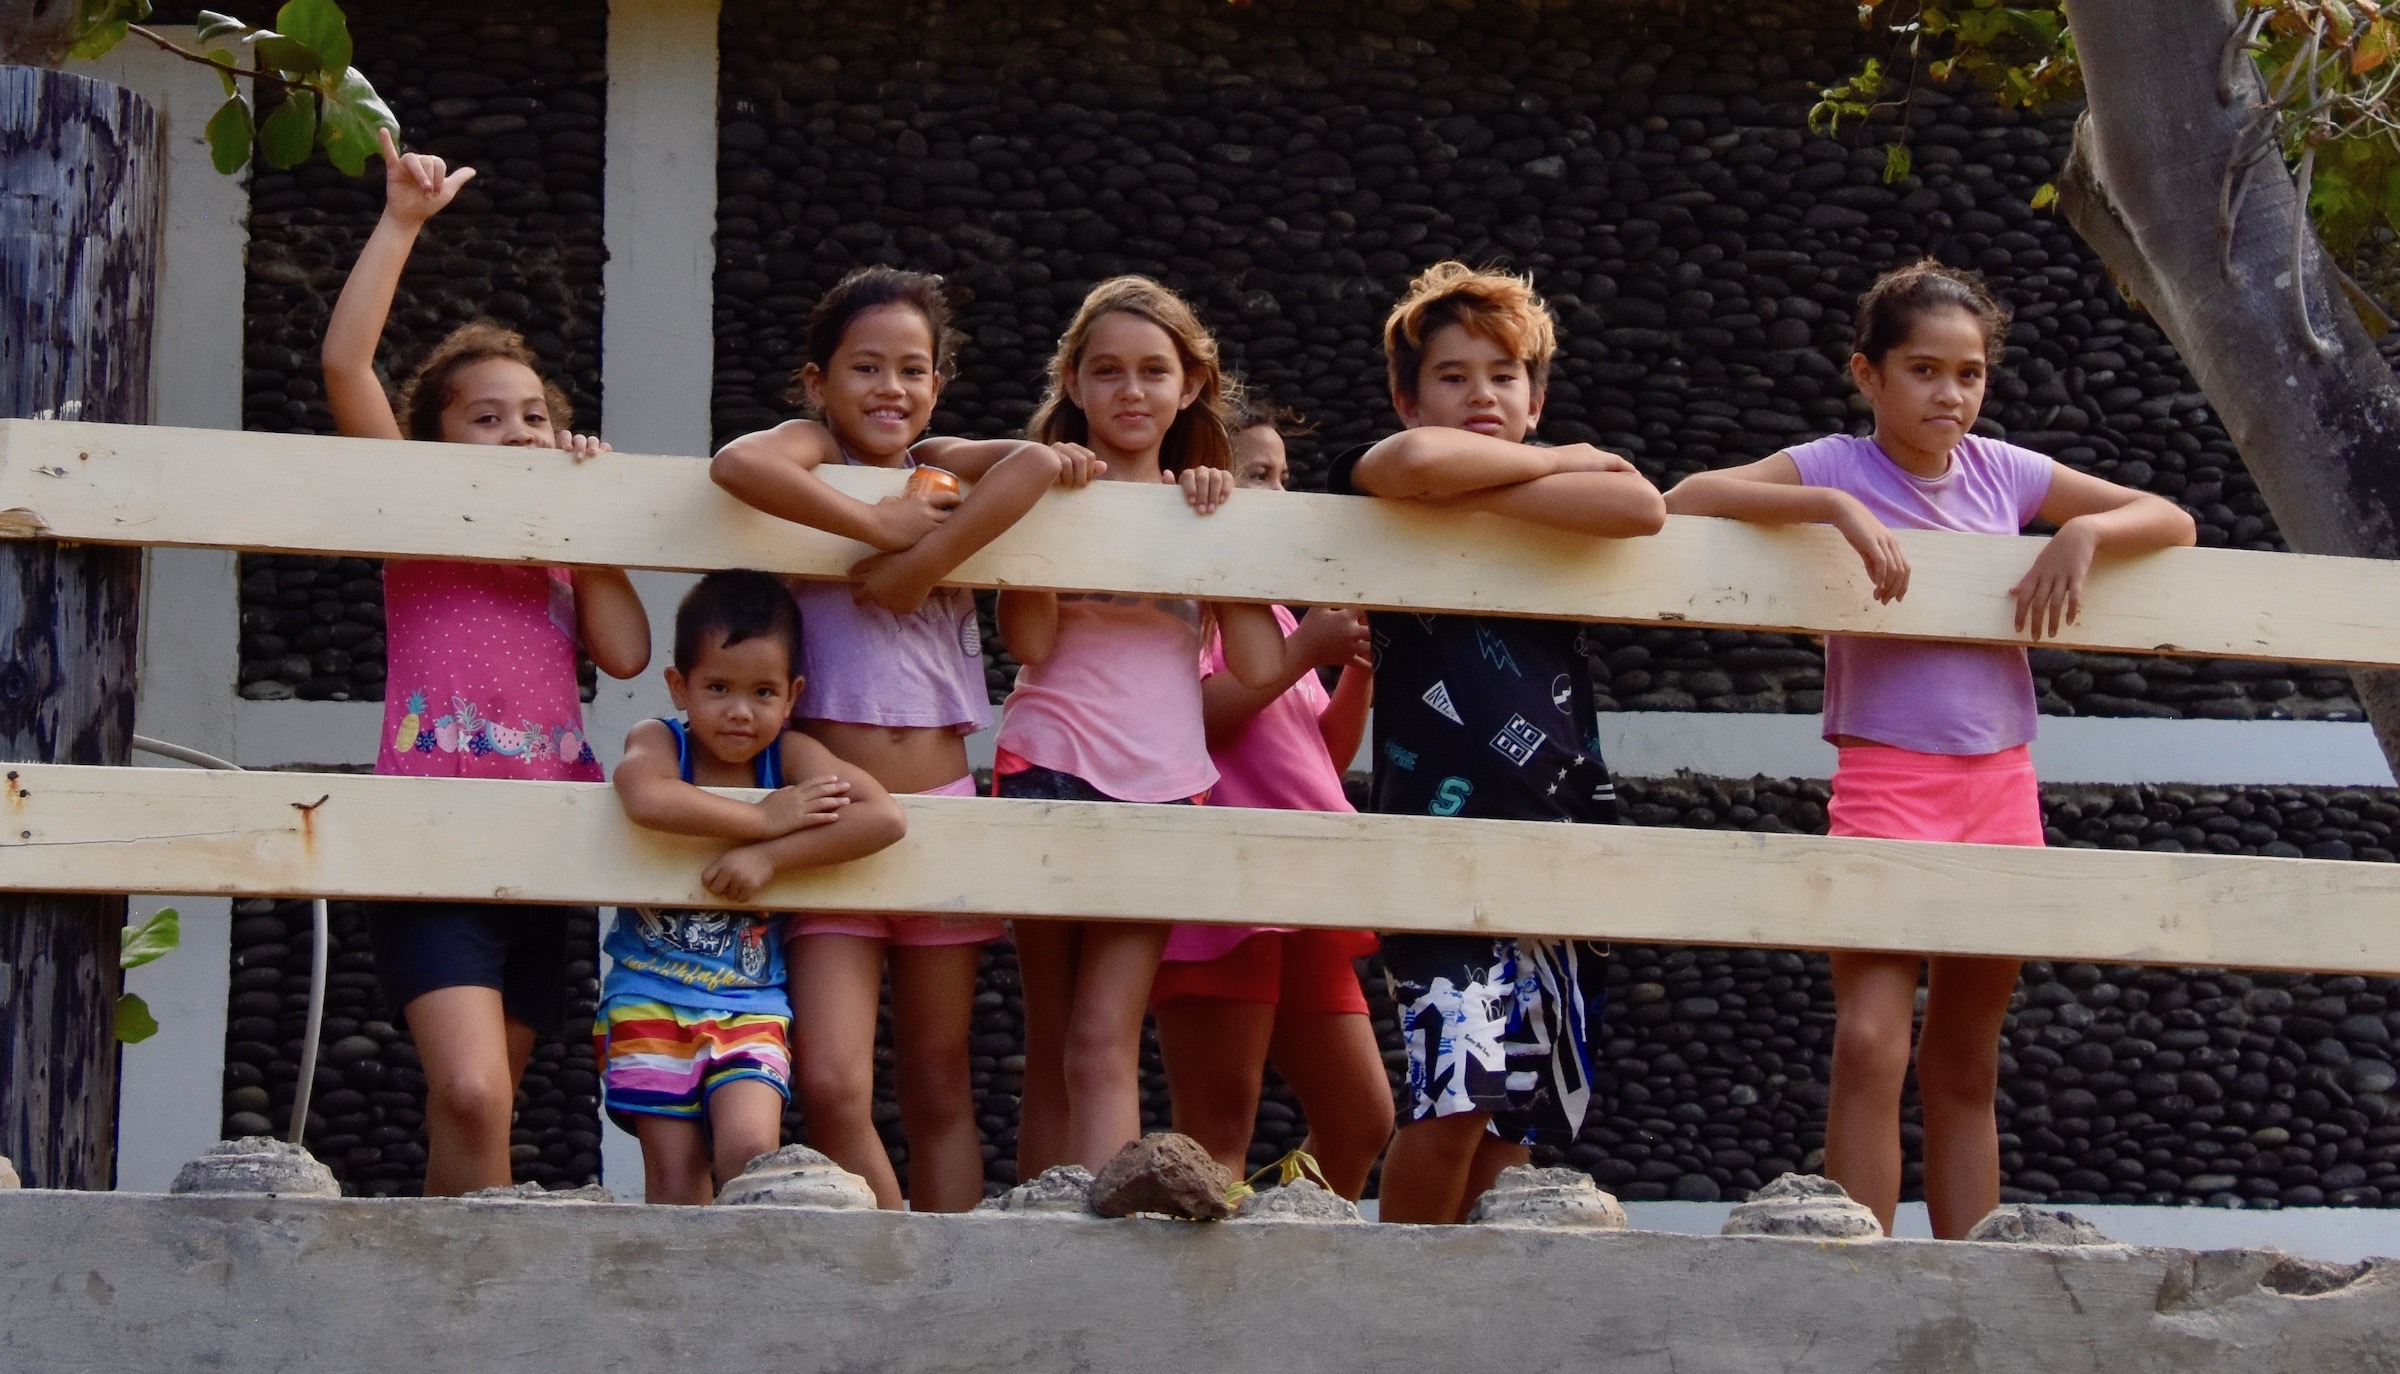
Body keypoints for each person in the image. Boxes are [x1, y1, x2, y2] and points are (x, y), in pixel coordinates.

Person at [1662, 259, 2196, 1237]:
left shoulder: (2006, 473)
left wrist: (2081, 537)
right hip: (1885, 778)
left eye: (1970, 372)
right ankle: (1860, 1274)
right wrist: (1831, 508)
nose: (1949, 393)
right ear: (1866, 375)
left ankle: (1970, 1278)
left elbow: (2171, 519)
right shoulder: (1834, 465)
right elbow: (1692, 497)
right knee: (1870, 1043)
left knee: (1963, 1060)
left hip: (2000, 786)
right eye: (1923, 370)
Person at [709, 267, 1086, 1210]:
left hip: (943, 813)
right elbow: (736, 464)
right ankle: (896, 1251)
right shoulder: (811, 452)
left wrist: (913, 566)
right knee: (833, 1085)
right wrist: (873, 520)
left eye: (913, 369)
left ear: (938, 382)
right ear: (817, 381)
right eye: (865, 367)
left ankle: (945, 1282)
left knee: (938, 1081)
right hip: (833, 819)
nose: (889, 388)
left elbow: (1041, 463)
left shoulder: (944, 465)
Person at [323, 128, 651, 1195]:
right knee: (469, 1091)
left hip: (546, 840)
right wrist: (401, 221)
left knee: (485, 1101)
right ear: (433, 443)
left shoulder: (559, 562)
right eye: (486, 418)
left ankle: (444, 1314)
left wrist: (585, 513)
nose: (519, 433)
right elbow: (344, 365)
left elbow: (629, 650)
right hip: (430, 832)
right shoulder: (419, 528)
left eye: (536, 417)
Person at [1331, 261, 1666, 1223]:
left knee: (1520, 1123)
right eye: (1452, 376)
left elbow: (1640, 506)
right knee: (1454, 1098)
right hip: (1435, 842)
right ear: (1406, 395)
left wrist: (1500, 485)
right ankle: (1399, 1305)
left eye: (1503, 375)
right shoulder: (1387, 472)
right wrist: (1563, 462)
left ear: (1537, 395)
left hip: (1564, 827)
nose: (1481, 393)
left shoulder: (1538, 481)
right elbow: (1413, 467)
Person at [995, 277, 1283, 1176]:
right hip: (1044, 763)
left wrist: (1220, 534)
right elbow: (1030, 639)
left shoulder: (1203, 502)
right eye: (1108, 371)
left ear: (1190, 385)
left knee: (1101, 1037)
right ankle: (1044, 1225)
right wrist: (1042, 520)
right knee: (1052, 1042)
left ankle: (1107, 1234)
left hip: (1165, 784)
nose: (1132, 391)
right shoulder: (1040, 486)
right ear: (1074, 384)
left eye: (1154, 371)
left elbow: (1261, 666)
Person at [1149, 388, 1394, 1199]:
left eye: (1286, 478)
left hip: (1309, 893)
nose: (1281, 498)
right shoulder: (1188, 610)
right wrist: (1305, 653)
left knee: (1362, 1118)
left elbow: (1322, 754)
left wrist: (1354, 666)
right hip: (1227, 893)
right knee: (1219, 1123)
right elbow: (1190, 726)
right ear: (1208, 487)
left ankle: (1285, 1244)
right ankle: (1209, 1304)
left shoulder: (1284, 615)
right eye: (1259, 477)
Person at [601, 570, 907, 1204]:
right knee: (676, 1169)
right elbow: (642, 792)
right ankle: (682, 1297)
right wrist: (761, 819)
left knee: (749, 1151)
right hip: (648, 996)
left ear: (792, 695)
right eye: (718, 687)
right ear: (679, 686)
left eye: (763, 691)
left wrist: (772, 857)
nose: (740, 711)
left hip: (752, 1003)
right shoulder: (661, 740)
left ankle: (746, 1291)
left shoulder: (790, 756)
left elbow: (883, 817)